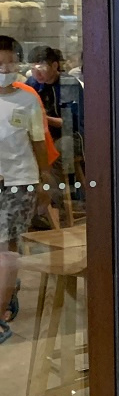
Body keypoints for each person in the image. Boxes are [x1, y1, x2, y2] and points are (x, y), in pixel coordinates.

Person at [0, 36, 52, 342]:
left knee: (6, 248)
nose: (5, 69)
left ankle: (1, 311)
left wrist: (44, 180)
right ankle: (9, 290)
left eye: (10, 62)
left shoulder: (28, 99)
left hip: (20, 182)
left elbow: (38, 141)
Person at [27, 44, 85, 220]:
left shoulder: (68, 84)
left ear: (54, 65)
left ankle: (55, 207)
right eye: (33, 68)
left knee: (54, 153)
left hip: (73, 136)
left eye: (42, 68)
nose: (37, 73)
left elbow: (69, 124)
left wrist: (43, 118)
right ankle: (31, 209)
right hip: (44, 135)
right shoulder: (31, 84)